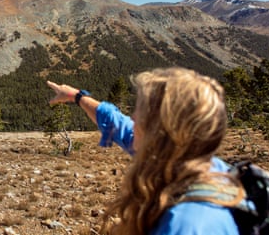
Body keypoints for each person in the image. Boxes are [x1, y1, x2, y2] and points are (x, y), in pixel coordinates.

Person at [47, 67, 245, 235]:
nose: (132, 118)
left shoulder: (186, 225)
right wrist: (77, 96)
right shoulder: (187, 160)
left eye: (140, 112)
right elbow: (115, 121)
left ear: (160, 131)